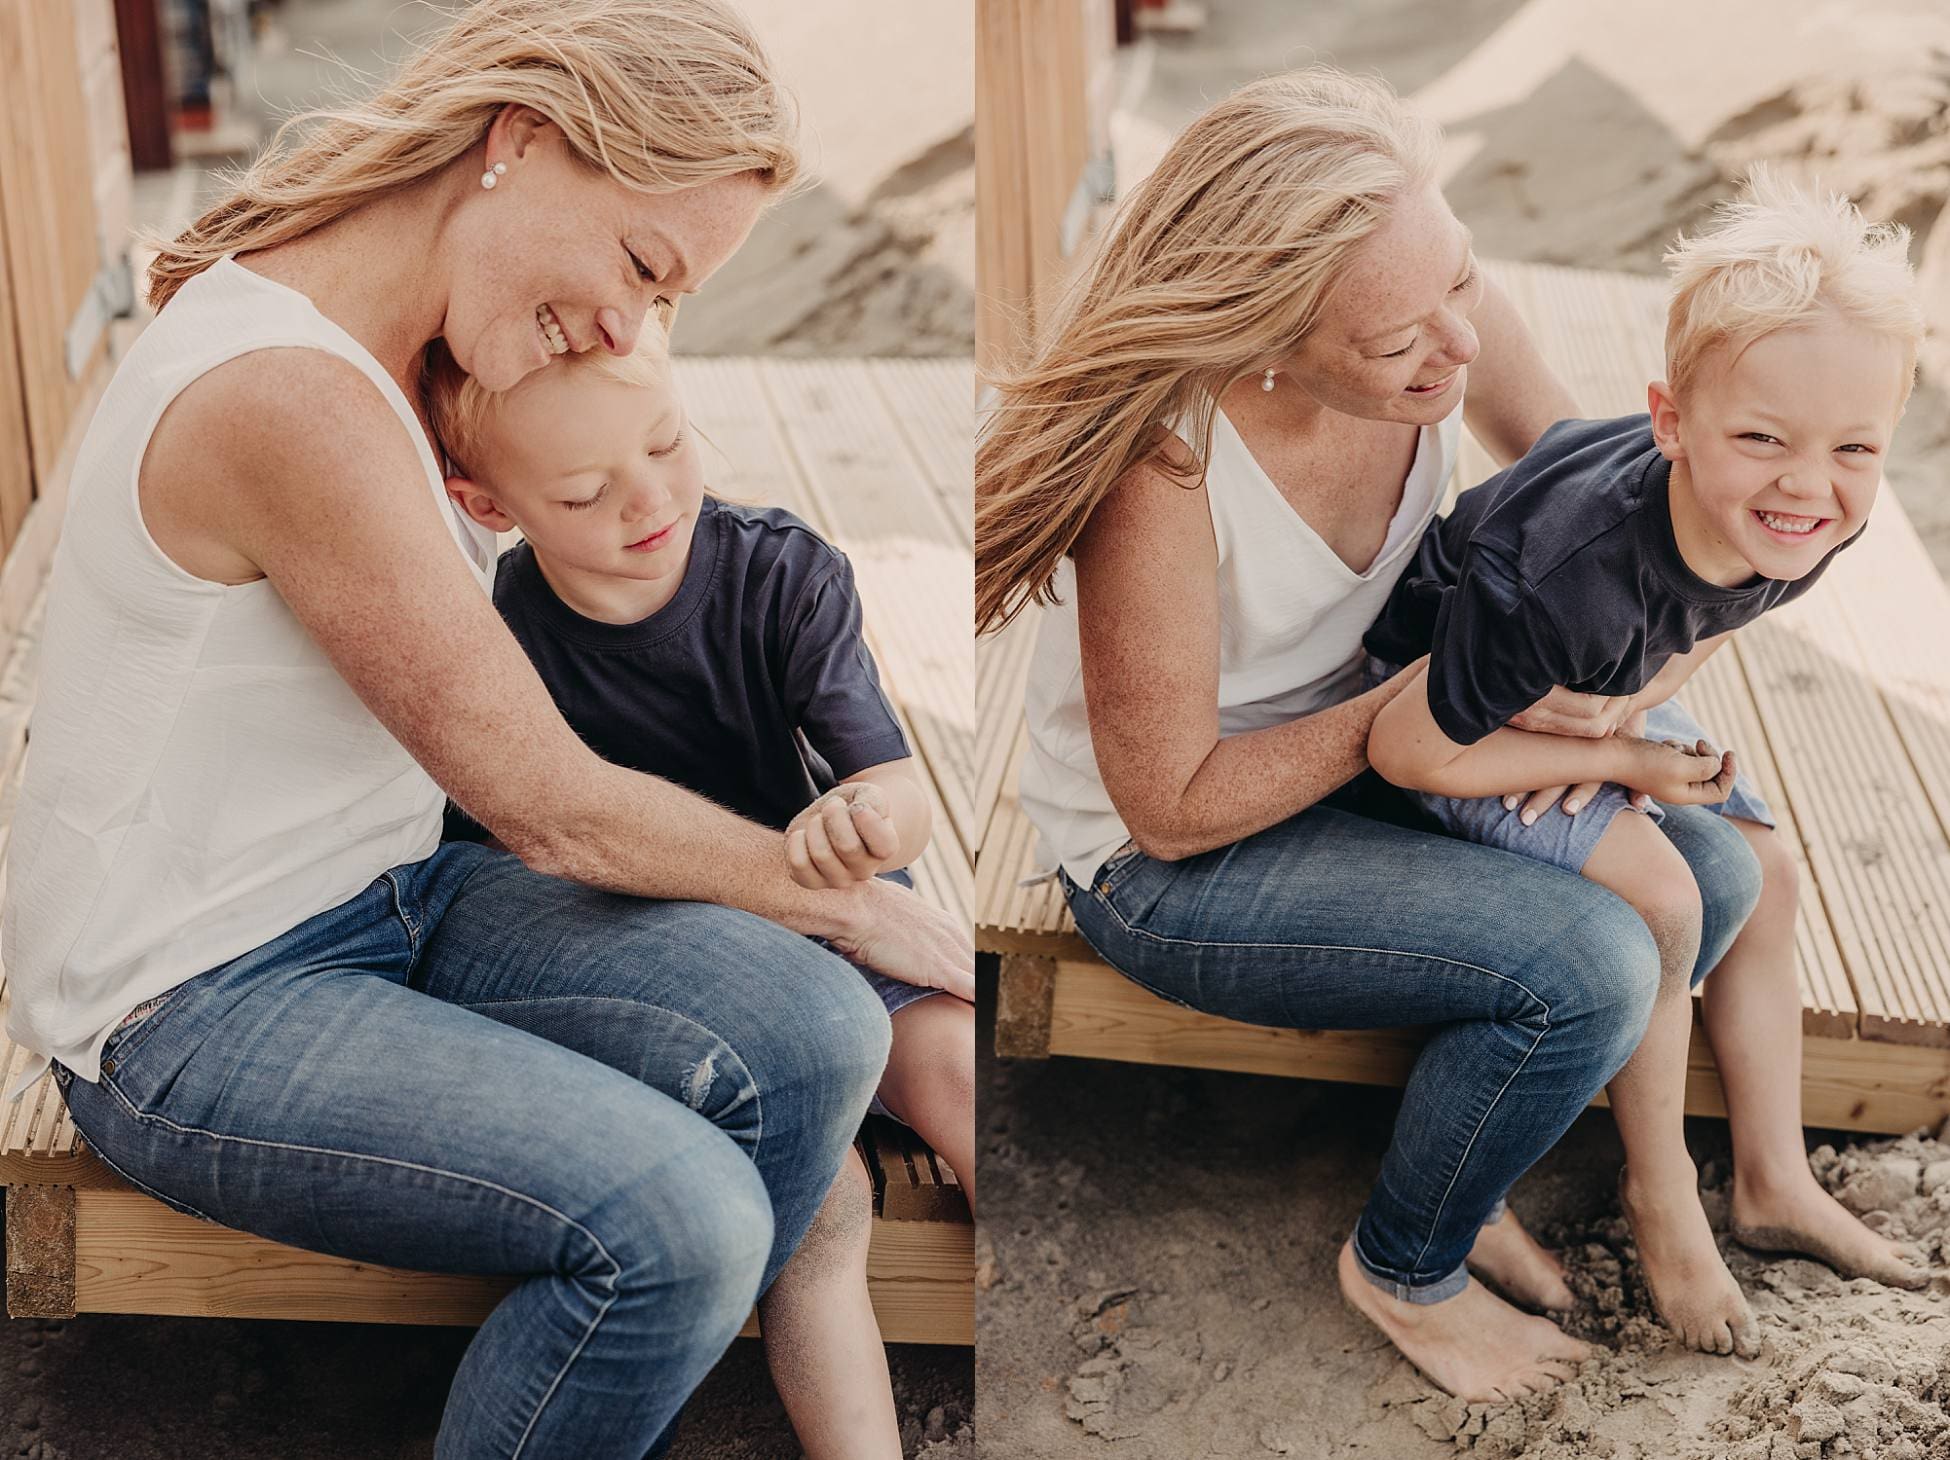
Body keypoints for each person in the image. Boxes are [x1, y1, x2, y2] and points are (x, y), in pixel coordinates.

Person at [0, 2, 969, 1455]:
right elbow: (550, 806)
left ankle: (617, 1368)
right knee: (683, 1221)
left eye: (667, 304)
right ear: (522, 141)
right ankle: (631, 1303)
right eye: (641, 264)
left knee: (819, 1032)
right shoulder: (289, 394)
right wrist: (852, 906)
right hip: (187, 995)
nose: (628, 328)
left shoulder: (403, 338)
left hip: (381, 892)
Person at [974, 66, 1763, 1403]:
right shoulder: (1165, 468)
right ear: (1267, 339)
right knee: (1584, 966)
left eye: (1458, 281)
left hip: (1397, 715)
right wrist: (1430, 715)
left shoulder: (1428, 290)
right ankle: (1403, 1265)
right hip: (1177, 846)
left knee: (1721, 875)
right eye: (1399, 340)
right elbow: (1168, 804)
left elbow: (1590, 487)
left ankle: (1487, 1149)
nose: (1456, 348)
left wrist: (1602, 691)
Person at [1361, 172, 1929, 1356]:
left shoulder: (1815, 505)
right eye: (1763, 437)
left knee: (1765, 867)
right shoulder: (1561, 578)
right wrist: (1616, 750)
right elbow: (1402, 742)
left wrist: (1638, 707)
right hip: (1457, 725)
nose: (1805, 484)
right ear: (1670, 422)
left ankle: (1772, 1180)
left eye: (1851, 447)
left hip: (1583, 696)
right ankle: (1661, 1193)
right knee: (1665, 894)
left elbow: (1706, 620)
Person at [423, 322, 976, 1458]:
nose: (648, 501)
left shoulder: (779, 572)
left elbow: (894, 779)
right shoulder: (496, 639)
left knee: (962, 1069)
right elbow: (516, 865)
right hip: (654, 956)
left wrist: (870, 816)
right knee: (825, 1215)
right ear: (488, 505)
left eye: (669, 443)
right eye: (584, 493)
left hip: (830, 905)